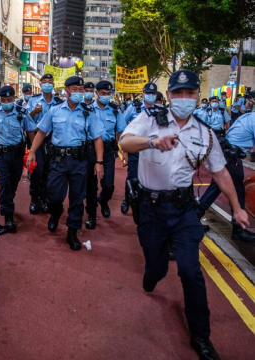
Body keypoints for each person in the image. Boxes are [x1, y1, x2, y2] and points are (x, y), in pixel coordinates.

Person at [119, 69, 249, 360]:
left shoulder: (205, 132)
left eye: (189, 93)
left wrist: (237, 208)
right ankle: (153, 273)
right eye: (177, 93)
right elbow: (125, 142)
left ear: (196, 96)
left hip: (183, 210)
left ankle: (201, 337)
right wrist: (151, 142)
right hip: (151, 210)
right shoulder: (150, 119)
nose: (183, 98)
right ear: (168, 97)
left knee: (191, 271)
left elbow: (221, 172)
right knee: (157, 266)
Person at [26, 76, 104, 251]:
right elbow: (41, 132)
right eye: (75, 89)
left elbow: (98, 138)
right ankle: (56, 212)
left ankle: (72, 232)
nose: (78, 92)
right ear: (67, 90)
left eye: (80, 89)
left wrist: (99, 161)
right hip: (58, 160)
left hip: (79, 161)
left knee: (77, 198)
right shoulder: (55, 110)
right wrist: (32, 152)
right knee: (53, 195)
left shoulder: (88, 112)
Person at [197, 111, 255, 242]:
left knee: (216, 187)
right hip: (231, 154)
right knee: (238, 190)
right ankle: (239, 230)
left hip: (226, 151)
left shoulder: (249, 116)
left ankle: (194, 218)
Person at [0, 86, 36, 230]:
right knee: (4, 182)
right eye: (4, 100)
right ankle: (8, 214)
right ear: (0, 100)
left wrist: (33, 151)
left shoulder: (22, 112)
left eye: (10, 99)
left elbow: (31, 130)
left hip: (16, 154)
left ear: (14, 99)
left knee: (13, 182)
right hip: (0, 154)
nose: (7, 102)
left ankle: (8, 201)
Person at [85, 80, 126, 229]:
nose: (106, 96)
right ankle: (91, 214)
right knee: (91, 185)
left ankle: (103, 200)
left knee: (108, 185)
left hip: (108, 152)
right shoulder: (87, 109)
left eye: (109, 94)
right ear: (96, 93)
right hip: (91, 152)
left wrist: (125, 152)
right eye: (103, 94)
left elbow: (121, 132)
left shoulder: (115, 110)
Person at [26, 73, 63, 215]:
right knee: (37, 170)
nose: (47, 84)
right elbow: (26, 120)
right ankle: (34, 199)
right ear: (40, 84)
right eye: (44, 82)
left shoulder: (59, 102)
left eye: (50, 81)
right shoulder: (33, 101)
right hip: (37, 139)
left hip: (53, 141)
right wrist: (34, 111)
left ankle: (44, 199)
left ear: (53, 84)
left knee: (50, 171)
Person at [121, 82, 157, 215]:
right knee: (132, 177)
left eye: (153, 94)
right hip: (135, 149)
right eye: (148, 93)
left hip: (151, 150)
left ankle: (145, 203)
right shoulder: (133, 108)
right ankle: (127, 199)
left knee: (150, 177)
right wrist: (125, 150)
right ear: (143, 94)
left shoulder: (159, 110)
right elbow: (123, 126)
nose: (150, 96)